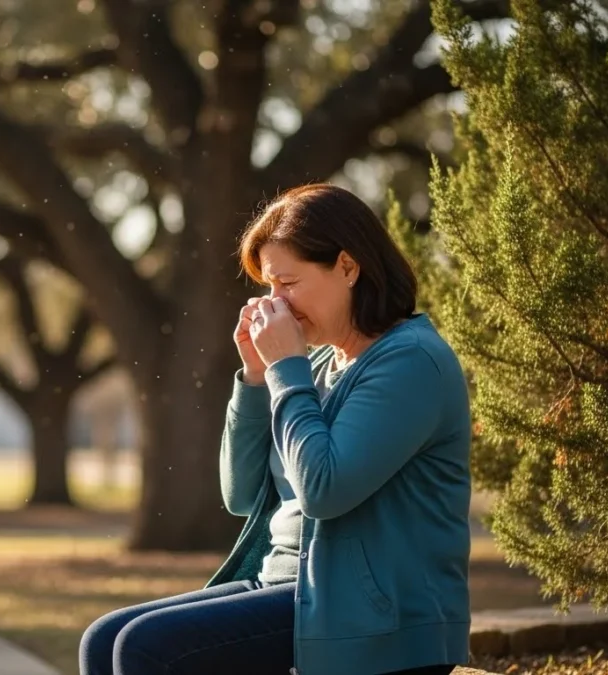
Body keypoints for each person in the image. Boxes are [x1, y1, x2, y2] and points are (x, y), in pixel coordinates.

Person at [79, 183, 472, 675]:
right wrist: (256, 378)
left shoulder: (410, 362)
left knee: (145, 648)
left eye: (288, 283)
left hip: (368, 614)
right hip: (288, 585)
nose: (276, 303)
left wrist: (286, 366)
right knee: (104, 639)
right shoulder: (325, 364)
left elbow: (324, 490)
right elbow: (241, 495)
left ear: (348, 268)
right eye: (269, 287)